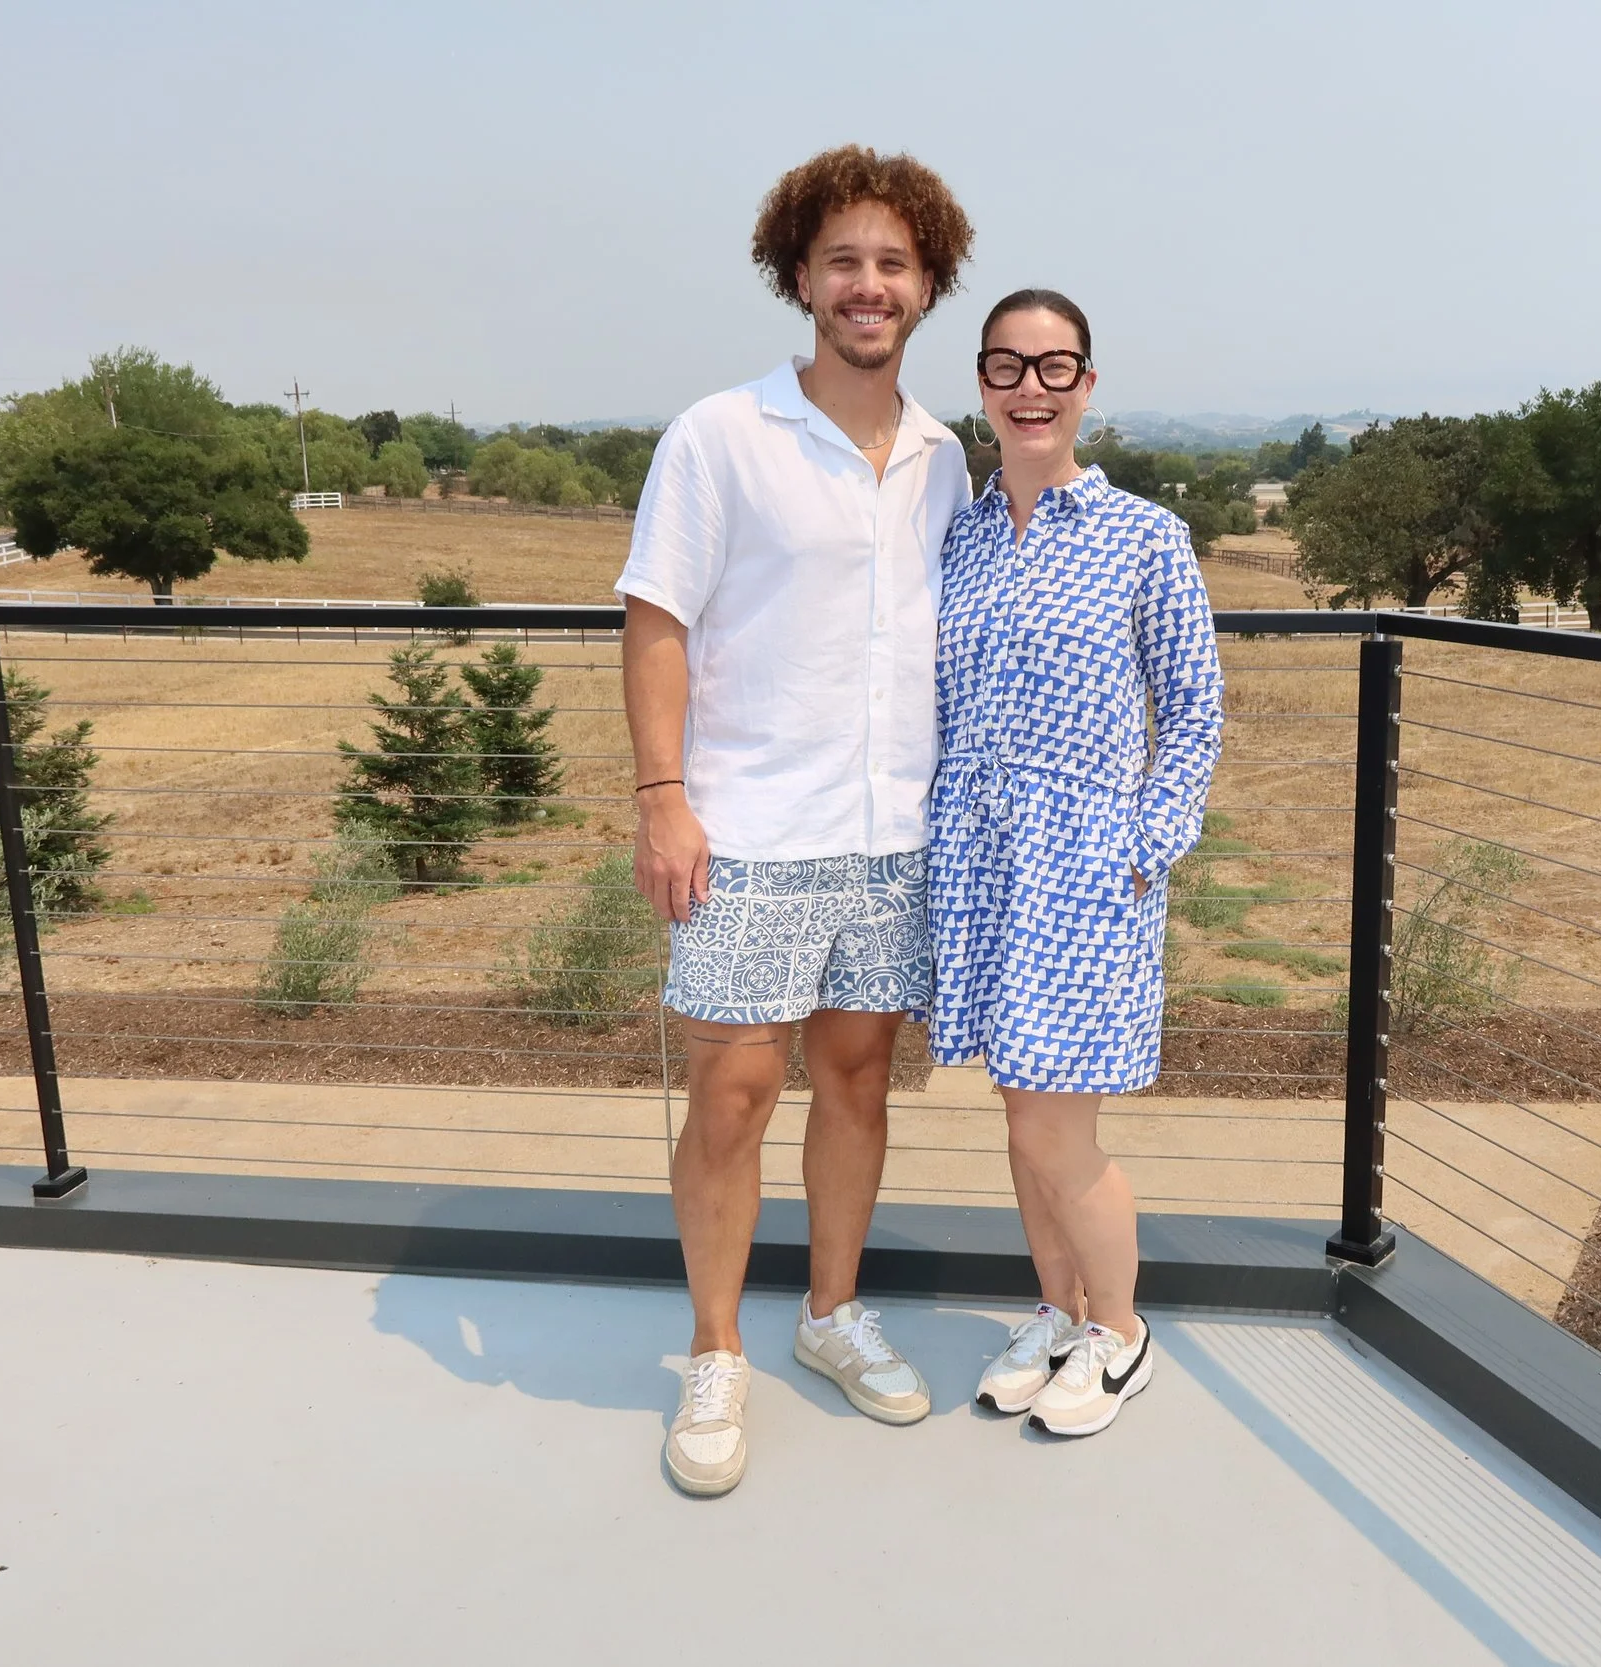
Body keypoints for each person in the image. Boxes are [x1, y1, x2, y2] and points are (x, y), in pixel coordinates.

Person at [617, 146, 975, 1497]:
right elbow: (657, 622)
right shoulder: (722, 434)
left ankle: (829, 1315)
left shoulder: (948, 456)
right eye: (843, 261)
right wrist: (664, 796)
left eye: (892, 261)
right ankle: (716, 1348)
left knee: (860, 1077)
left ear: (927, 281)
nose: (867, 284)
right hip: (750, 827)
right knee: (733, 1088)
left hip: (894, 834)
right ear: (799, 277)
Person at [928, 289, 1225, 1436]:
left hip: (1086, 866)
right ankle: (1057, 1311)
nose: (1031, 387)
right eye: (1008, 366)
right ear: (985, 385)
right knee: (1018, 1115)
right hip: (980, 859)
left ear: (1087, 385)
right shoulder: (956, 531)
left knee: (1060, 1126)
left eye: (1056, 366)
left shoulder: (1144, 536)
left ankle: (1122, 1332)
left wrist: (1143, 849)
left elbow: (1194, 713)